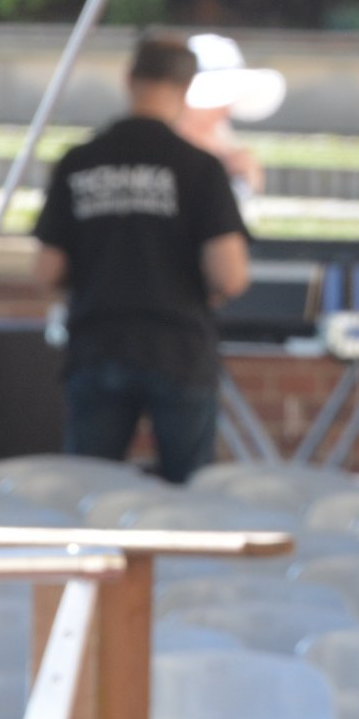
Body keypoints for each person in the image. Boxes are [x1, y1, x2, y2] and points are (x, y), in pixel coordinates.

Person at [33, 35, 252, 483]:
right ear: (185, 89)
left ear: (129, 80)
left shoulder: (78, 162)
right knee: (189, 495)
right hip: (178, 348)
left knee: (87, 490)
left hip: (97, 344)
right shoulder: (200, 168)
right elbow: (230, 275)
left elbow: (46, 270)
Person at [174, 32, 285, 202]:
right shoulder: (161, 145)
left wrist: (243, 179)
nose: (223, 110)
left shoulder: (221, 139)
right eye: (213, 99)